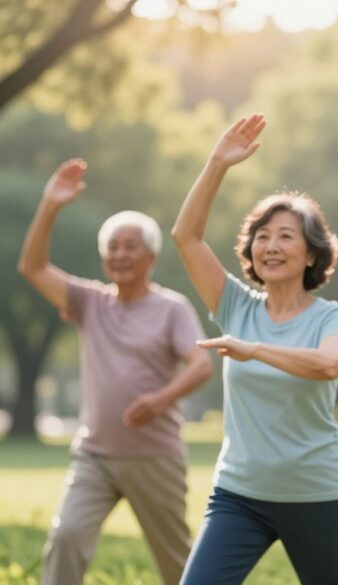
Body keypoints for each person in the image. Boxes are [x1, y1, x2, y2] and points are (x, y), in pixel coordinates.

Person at [172, 114, 338, 585]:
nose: (270, 246)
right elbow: (186, 237)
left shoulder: (333, 316)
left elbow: (329, 364)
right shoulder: (234, 304)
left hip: (318, 496)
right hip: (239, 496)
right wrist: (217, 163)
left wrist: (253, 349)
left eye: (286, 236)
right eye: (262, 236)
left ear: (312, 254)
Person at [17, 159, 212, 585]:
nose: (120, 254)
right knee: (66, 536)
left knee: (177, 563)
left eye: (130, 246)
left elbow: (201, 364)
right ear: (104, 258)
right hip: (95, 455)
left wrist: (161, 400)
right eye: (113, 248)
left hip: (155, 458)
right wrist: (50, 205)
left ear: (151, 256)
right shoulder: (90, 302)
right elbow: (32, 268)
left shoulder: (171, 308)